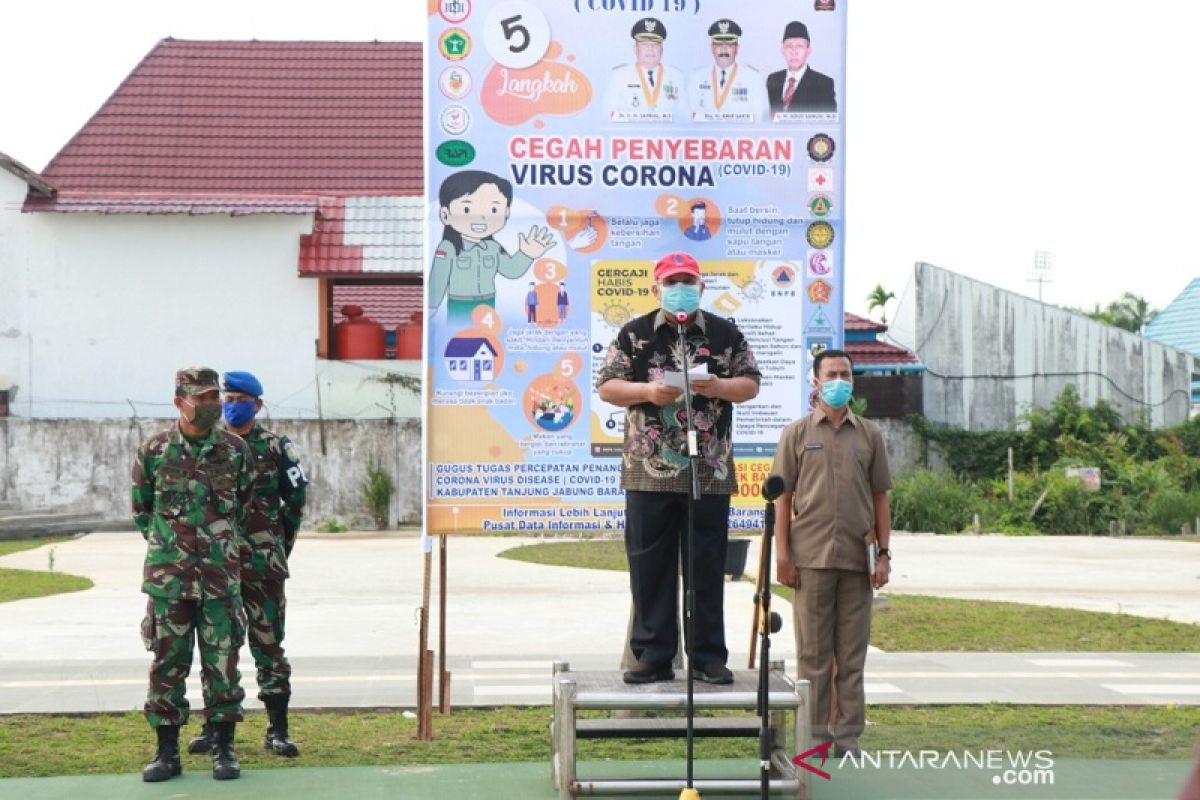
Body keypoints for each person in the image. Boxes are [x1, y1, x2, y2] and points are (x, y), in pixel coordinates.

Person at [596, 252, 761, 685]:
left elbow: (750, 383)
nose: (681, 288)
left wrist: (721, 386)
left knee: (707, 563)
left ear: (702, 288)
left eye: (688, 281)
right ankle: (653, 654)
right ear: (656, 289)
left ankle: (708, 656)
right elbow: (607, 387)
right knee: (650, 565)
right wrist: (648, 391)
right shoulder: (634, 334)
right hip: (647, 471)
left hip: (708, 469)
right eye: (672, 281)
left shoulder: (725, 333)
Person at [132, 367, 254, 782]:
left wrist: (216, 549)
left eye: (213, 397)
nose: (210, 405)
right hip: (170, 581)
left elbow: (243, 505)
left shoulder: (235, 450)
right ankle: (166, 753)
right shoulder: (154, 450)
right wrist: (173, 548)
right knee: (168, 664)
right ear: (179, 402)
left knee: (223, 665)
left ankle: (224, 749)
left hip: (221, 579)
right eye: (200, 398)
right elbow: (142, 510)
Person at [770, 349, 891, 756]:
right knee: (814, 657)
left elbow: (881, 498)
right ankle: (816, 739)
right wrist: (782, 556)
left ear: (853, 381)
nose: (839, 380)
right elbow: (782, 499)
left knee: (851, 656)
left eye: (846, 374)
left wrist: (885, 554)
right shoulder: (797, 434)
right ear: (816, 381)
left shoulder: (870, 435)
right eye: (831, 374)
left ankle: (848, 738)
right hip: (810, 561)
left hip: (859, 561)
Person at [186, 371, 308, 760]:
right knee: (218, 646)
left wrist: (276, 547)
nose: (232, 404)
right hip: (217, 565)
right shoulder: (210, 445)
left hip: (262, 564)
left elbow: (296, 500)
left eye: (240, 398)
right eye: (227, 397)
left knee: (269, 645)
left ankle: (278, 730)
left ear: (257, 404)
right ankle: (213, 728)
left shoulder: (275, 448)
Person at [428, 170, 555, 324]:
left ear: (506, 213)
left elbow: (511, 270)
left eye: (494, 210)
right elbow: (438, 278)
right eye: (467, 209)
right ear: (445, 215)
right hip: (460, 304)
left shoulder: (493, 247)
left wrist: (527, 254)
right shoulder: (448, 247)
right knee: (459, 338)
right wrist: (431, 306)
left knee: (486, 339)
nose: (481, 217)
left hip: (488, 303)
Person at [604, 17, 686, 123]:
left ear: (661, 50)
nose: (650, 49)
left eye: (655, 45)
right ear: (635, 49)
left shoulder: (677, 77)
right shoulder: (619, 76)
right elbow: (607, 115)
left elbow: (685, 117)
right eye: (644, 44)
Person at [689, 18, 768, 123]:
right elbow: (688, 118)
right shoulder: (697, 77)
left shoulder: (753, 78)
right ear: (712, 48)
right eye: (719, 45)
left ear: (737, 48)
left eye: (729, 45)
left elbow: (761, 119)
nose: (724, 49)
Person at [766, 21, 838, 115]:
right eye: (789, 46)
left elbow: (828, 124)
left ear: (808, 51)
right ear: (782, 51)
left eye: (799, 46)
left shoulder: (823, 84)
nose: (794, 52)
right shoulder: (773, 80)